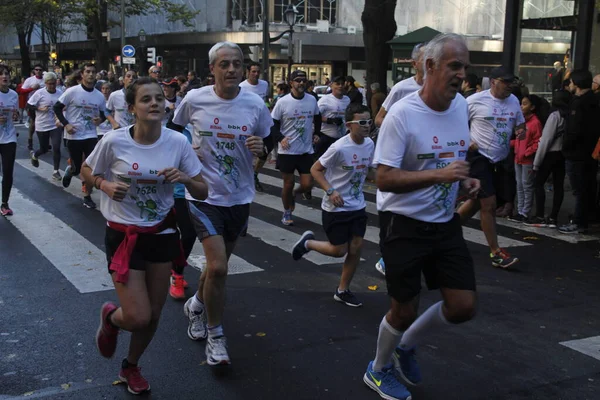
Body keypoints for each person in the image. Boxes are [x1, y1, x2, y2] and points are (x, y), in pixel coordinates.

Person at [363, 33, 480, 400]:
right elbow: (382, 178)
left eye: (465, 66)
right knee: (403, 309)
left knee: (463, 306)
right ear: (429, 67)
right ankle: (378, 369)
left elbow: (449, 162)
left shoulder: (461, 106)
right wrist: (439, 176)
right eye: (454, 66)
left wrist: (464, 182)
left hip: (444, 222)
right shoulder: (402, 115)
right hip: (404, 224)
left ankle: (406, 346)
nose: (462, 74)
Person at [82, 77, 207, 395]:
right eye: (146, 99)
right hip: (123, 235)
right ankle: (111, 319)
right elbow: (87, 169)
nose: (156, 103)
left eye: (159, 98)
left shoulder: (177, 142)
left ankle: (130, 367)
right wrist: (105, 185)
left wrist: (185, 180)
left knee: (153, 316)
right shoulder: (114, 141)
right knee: (137, 315)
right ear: (132, 108)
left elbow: (203, 189)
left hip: (162, 233)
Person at [169, 41, 272, 366]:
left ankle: (197, 304)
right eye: (224, 64)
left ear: (243, 69)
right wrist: (186, 158)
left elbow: (268, 138)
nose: (231, 69)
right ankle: (216, 335)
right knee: (218, 267)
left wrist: (263, 148)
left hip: (239, 197)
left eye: (236, 64)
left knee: (216, 270)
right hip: (204, 194)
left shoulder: (255, 104)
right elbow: (173, 133)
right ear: (212, 68)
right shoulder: (195, 99)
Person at [292, 103, 374, 307]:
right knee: (339, 251)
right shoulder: (339, 147)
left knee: (356, 248)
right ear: (349, 125)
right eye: (362, 122)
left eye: (369, 121)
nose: (367, 125)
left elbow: (369, 171)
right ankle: (308, 244)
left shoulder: (370, 144)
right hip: (335, 207)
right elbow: (315, 169)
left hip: (357, 205)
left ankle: (343, 290)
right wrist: (330, 190)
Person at [456, 66, 525, 269]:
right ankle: (496, 252)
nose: (510, 86)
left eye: (512, 82)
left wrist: (521, 131)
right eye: (506, 82)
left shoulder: (513, 101)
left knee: (476, 203)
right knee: (489, 204)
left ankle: (444, 234)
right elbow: (454, 123)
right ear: (493, 82)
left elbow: (520, 124)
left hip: (499, 159)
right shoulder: (474, 100)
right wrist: (466, 140)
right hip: (478, 157)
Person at [53, 63, 107, 209]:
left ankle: (87, 196)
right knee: (78, 168)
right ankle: (71, 170)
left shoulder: (99, 96)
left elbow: (103, 113)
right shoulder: (72, 92)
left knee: (89, 167)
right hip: (73, 135)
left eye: (93, 72)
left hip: (90, 135)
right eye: (88, 72)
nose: (91, 74)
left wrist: (100, 120)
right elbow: (56, 107)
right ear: (82, 74)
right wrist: (66, 124)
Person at [271, 70, 321, 225]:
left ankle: (294, 194)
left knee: (307, 184)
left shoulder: (312, 100)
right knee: (288, 182)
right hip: (287, 150)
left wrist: (317, 132)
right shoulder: (283, 102)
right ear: (291, 82)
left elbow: (317, 116)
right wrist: (281, 138)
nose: (301, 83)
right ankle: (287, 212)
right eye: (298, 80)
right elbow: (273, 124)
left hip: (305, 149)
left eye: (303, 80)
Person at [559, 69, 600, 234]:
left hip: (577, 153)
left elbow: (574, 130)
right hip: (590, 152)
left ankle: (578, 221)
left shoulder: (578, 103)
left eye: (570, 82)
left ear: (575, 83)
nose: (569, 85)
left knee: (579, 189)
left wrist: (566, 146)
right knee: (588, 187)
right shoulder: (595, 101)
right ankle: (587, 218)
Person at [530, 90, 571, 227]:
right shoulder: (570, 115)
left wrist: (536, 163)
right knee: (558, 186)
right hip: (563, 153)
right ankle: (554, 216)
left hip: (551, 153)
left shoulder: (555, 116)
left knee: (538, 183)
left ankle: (540, 215)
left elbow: (546, 140)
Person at [507, 94, 542, 223]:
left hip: (527, 159)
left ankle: (525, 213)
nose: (521, 106)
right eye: (521, 103)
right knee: (519, 185)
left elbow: (538, 141)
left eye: (525, 104)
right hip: (518, 158)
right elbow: (518, 140)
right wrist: (509, 144)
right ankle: (520, 210)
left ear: (532, 107)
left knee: (527, 186)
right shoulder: (521, 122)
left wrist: (527, 152)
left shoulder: (535, 123)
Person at [375, 43, 426, 128]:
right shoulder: (401, 88)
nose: (430, 64)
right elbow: (379, 119)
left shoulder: (441, 90)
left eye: (433, 60)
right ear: (414, 64)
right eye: (425, 60)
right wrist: (401, 130)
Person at [240, 62, 273, 192]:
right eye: (253, 71)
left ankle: (254, 173)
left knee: (267, 147)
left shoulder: (264, 84)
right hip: (247, 122)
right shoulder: (242, 86)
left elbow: (267, 99)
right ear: (248, 72)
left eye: (258, 71)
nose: (256, 74)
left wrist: (268, 107)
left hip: (262, 121)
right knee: (245, 150)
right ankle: (245, 176)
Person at [28, 72, 64, 181]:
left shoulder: (60, 93)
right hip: (42, 124)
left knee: (56, 147)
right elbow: (29, 105)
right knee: (44, 149)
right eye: (49, 84)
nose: (52, 86)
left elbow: (64, 105)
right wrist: (39, 109)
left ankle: (56, 171)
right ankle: (35, 154)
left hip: (55, 124)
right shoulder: (39, 93)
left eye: (53, 83)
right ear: (46, 83)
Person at [315, 76, 350, 159]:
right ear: (331, 85)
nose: (340, 86)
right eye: (337, 84)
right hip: (325, 137)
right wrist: (329, 120)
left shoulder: (347, 99)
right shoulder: (325, 100)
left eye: (342, 84)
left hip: (341, 138)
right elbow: (314, 117)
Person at [0, 65, 19, 216]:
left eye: (6, 73)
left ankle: (4, 203)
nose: (4, 76)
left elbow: (16, 114)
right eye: (1, 74)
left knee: (8, 171)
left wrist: (15, 116)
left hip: (9, 137)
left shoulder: (13, 94)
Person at [23, 64, 45, 150]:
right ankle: (30, 140)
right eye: (36, 69)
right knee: (33, 123)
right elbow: (22, 91)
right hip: (32, 104)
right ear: (34, 71)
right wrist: (32, 89)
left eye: (40, 70)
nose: (38, 71)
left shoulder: (45, 80)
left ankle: (44, 142)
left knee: (44, 123)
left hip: (44, 104)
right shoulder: (29, 80)